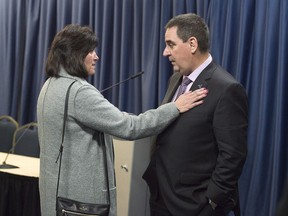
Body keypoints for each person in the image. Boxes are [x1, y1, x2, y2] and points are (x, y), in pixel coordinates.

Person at [36, 24, 208, 216]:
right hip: (79, 203)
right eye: (91, 51)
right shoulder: (79, 92)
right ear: (75, 54)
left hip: (55, 197)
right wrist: (175, 107)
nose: (96, 56)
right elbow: (130, 127)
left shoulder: (50, 84)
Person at [143, 13, 248, 216]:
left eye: (170, 44)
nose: (165, 52)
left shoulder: (227, 88)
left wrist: (212, 202)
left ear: (192, 44)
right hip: (160, 197)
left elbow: (233, 155)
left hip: (194, 205)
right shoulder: (176, 79)